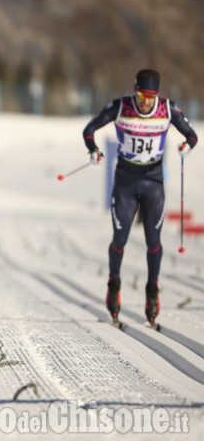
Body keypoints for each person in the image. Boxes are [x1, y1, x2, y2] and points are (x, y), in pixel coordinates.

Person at [82, 69, 197, 328]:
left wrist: (185, 147)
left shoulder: (168, 109)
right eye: (141, 94)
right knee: (120, 238)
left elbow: (192, 135)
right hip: (125, 181)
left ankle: (152, 290)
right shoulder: (121, 107)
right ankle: (114, 284)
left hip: (154, 183)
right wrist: (93, 149)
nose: (145, 100)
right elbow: (89, 129)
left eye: (150, 95)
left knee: (153, 241)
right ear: (135, 91)